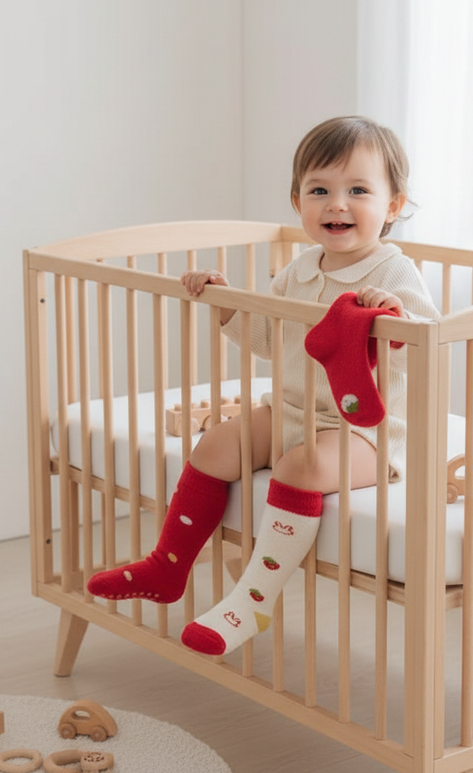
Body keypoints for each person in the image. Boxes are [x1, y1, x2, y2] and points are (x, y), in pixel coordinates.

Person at [88, 115, 439, 656]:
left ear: (393, 206)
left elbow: (419, 348)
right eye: (319, 189)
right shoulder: (299, 270)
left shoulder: (394, 272)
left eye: (358, 191)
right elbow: (270, 340)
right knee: (215, 442)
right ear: (297, 200)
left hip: (367, 433)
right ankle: (167, 565)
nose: (336, 204)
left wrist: (386, 317)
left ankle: (251, 601)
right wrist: (227, 302)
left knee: (303, 465)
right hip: (292, 409)